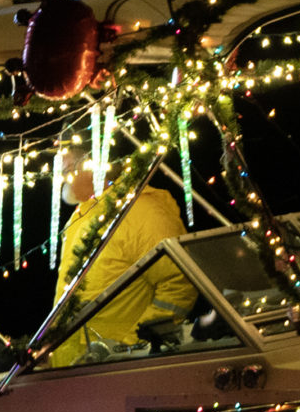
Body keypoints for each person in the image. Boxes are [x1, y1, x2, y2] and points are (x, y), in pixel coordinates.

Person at [44, 153, 195, 367]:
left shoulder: (141, 210)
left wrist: (133, 347)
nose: (61, 175)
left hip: (120, 369)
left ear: (95, 161)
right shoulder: (79, 217)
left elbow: (180, 282)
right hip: (75, 368)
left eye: (67, 167)